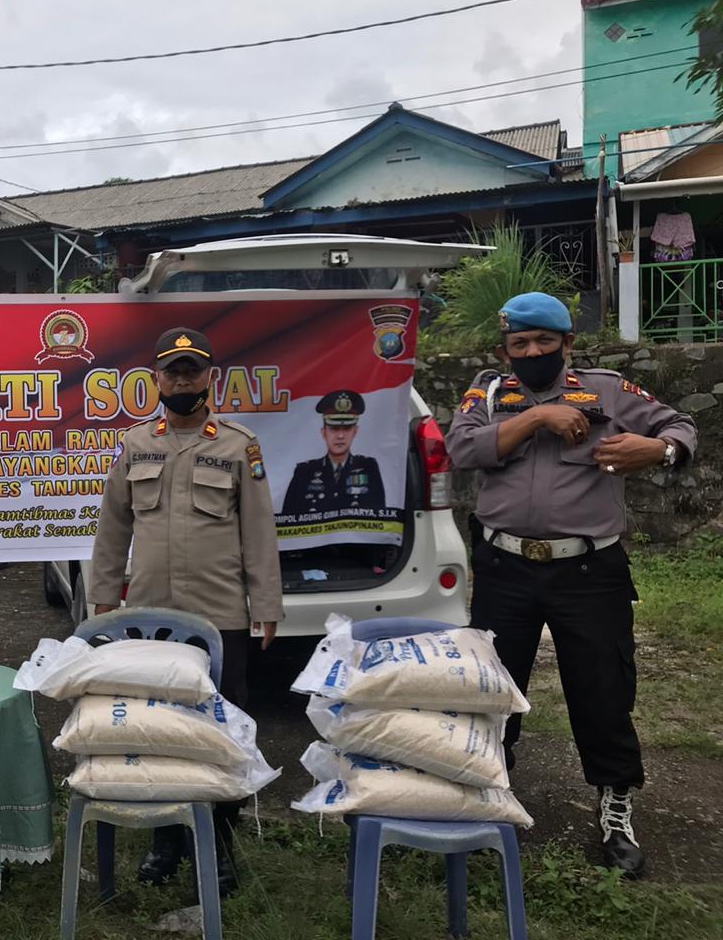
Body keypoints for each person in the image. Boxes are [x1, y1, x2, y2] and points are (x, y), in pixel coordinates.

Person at [446, 292, 698, 879]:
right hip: (505, 568)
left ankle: (615, 807)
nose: (532, 352)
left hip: (589, 571)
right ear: (505, 351)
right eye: (520, 343)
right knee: (493, 688)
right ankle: (488, 792)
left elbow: (680, 427)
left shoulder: (606, 390)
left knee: (602, 687)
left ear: (567, 343)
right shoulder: (488, 392)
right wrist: (537, 418)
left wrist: (657, 449)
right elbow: (461, 448)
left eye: (544, 341)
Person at [90, 326, 283, 896]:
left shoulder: (239, 446)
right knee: (159, 728)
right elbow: (113, 527)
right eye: (172, 372)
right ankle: (167, 839)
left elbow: (259, 530)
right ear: (156, 379)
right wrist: (105, 597)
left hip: (220, 617)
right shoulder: (135, 444)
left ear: (209, 378)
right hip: (152, 619)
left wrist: (266, 604)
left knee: (221, 730)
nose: (181, 381)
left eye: (191, 371)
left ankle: (219, 841)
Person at [281, 389, 385, 516]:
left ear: (355, 431)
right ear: (324, 432)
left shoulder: (368, 468)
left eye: (347, 428)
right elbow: (288, 519)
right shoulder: (304, 472)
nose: (340, 436)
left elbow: (379, 517)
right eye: (334, 429)